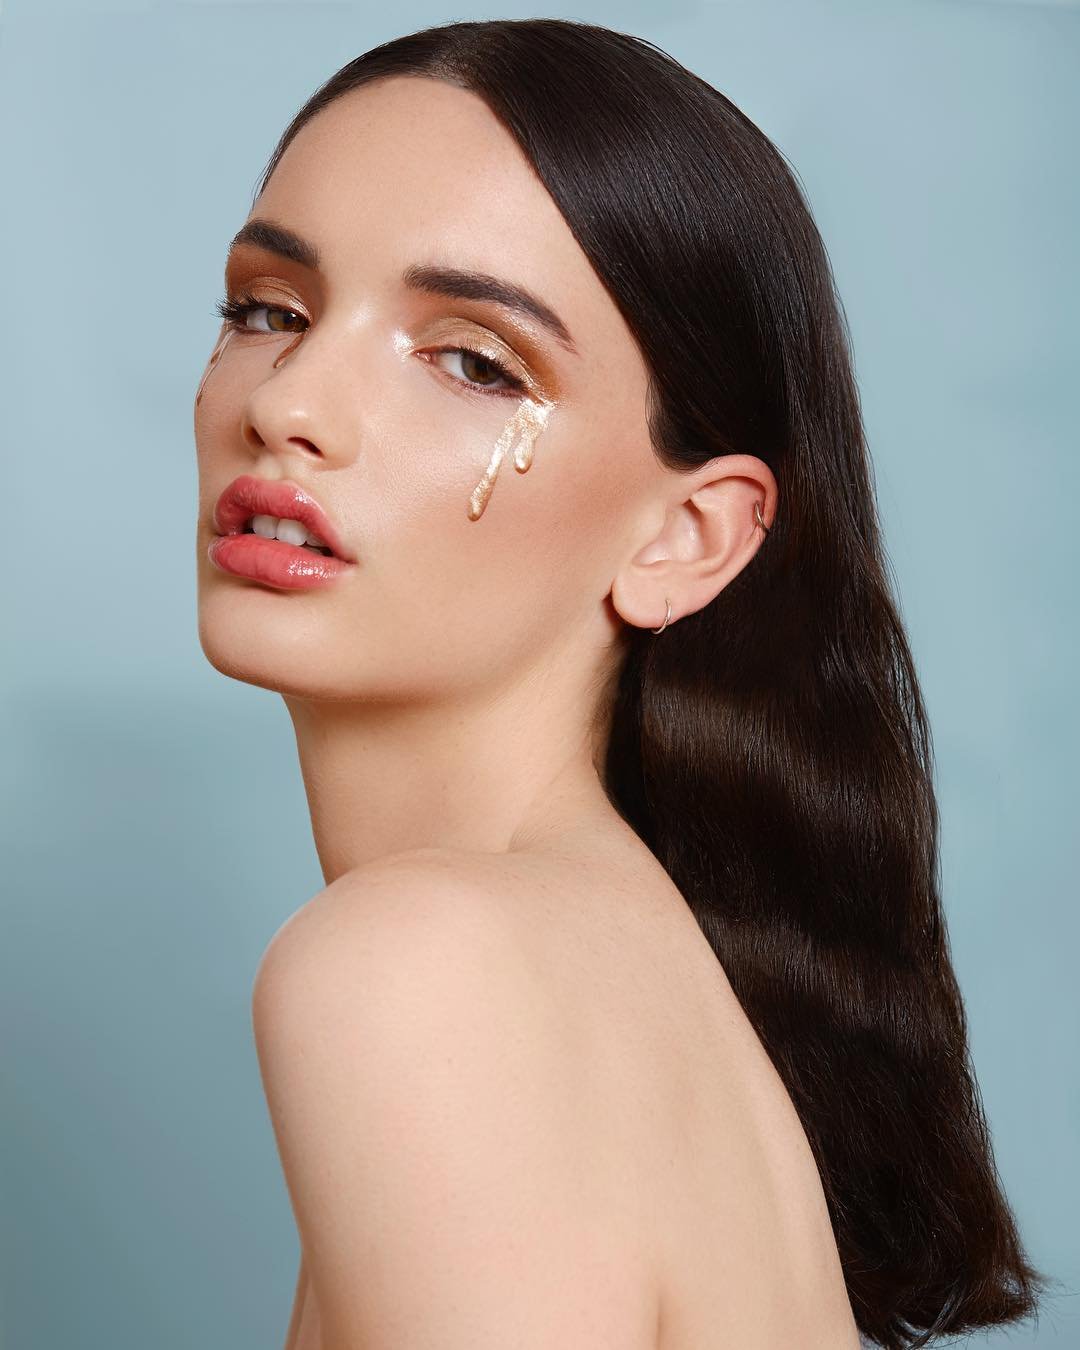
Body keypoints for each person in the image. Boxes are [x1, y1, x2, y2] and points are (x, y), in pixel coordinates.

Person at [193, 18, 1047, 1349]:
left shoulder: (425, 970)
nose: (293, 401)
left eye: (476, 358)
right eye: (270, 309)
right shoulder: (615, 964)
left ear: (684, 537)